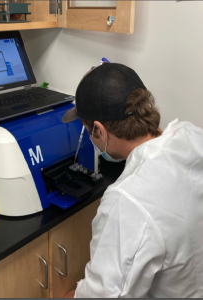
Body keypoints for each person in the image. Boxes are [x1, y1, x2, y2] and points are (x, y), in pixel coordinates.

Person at [62, 63, 203, 298]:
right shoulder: (192, 135)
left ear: (99, 130)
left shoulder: (128, 201)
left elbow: (103, 295)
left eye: (86, 129)